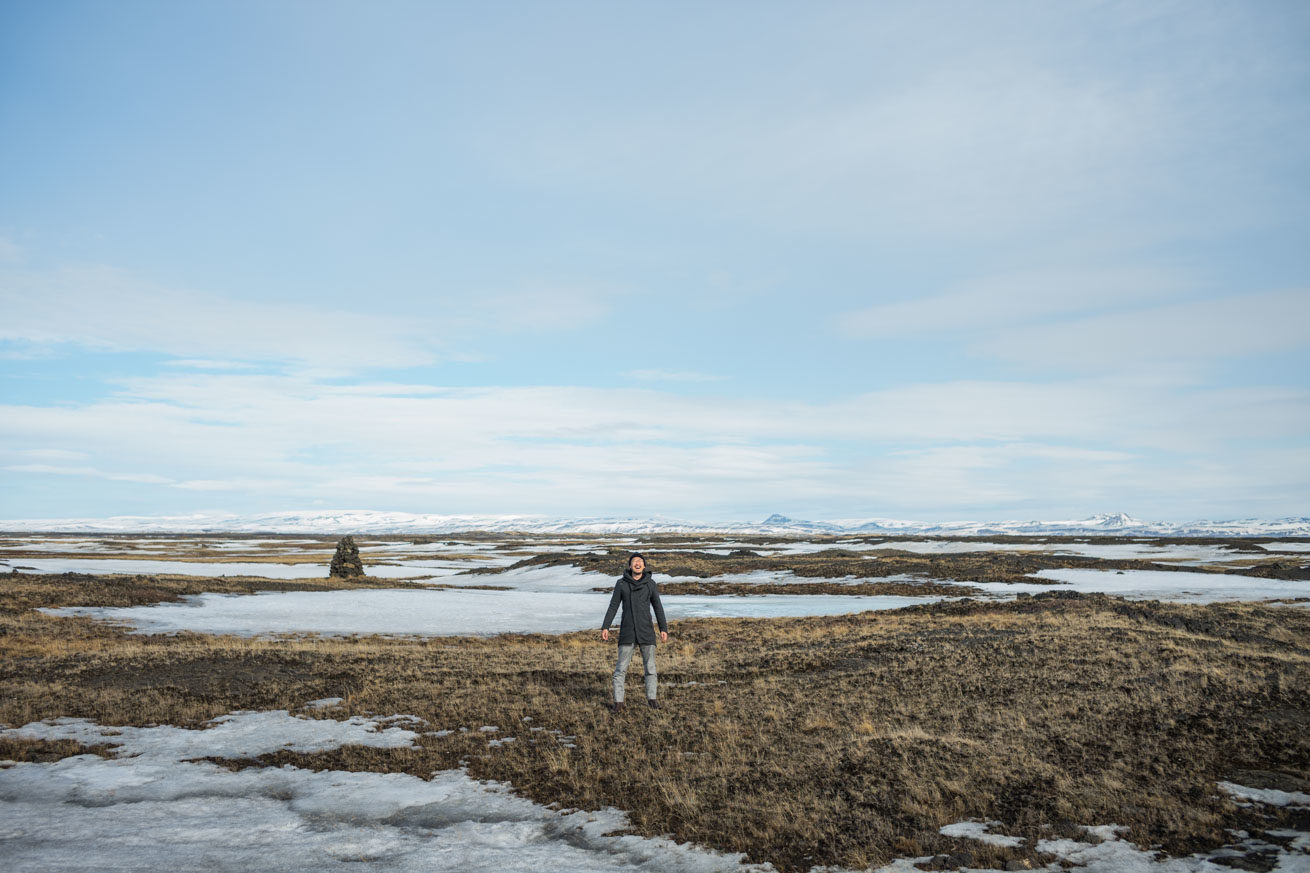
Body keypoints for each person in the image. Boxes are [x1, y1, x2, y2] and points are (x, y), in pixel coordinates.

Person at [600, 553, 668, 712]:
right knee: (620, 669)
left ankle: (652, 700)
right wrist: (605, 627)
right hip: (627, 632)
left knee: (650, 669)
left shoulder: (650, 584)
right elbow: (613, 606)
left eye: (640, 561)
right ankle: (618, 703)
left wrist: (663, 628)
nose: (637, 564)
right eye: (634, 561)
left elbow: (658, 607)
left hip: (646, 632)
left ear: (644, 566)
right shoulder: (621, 584)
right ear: (630, 566)